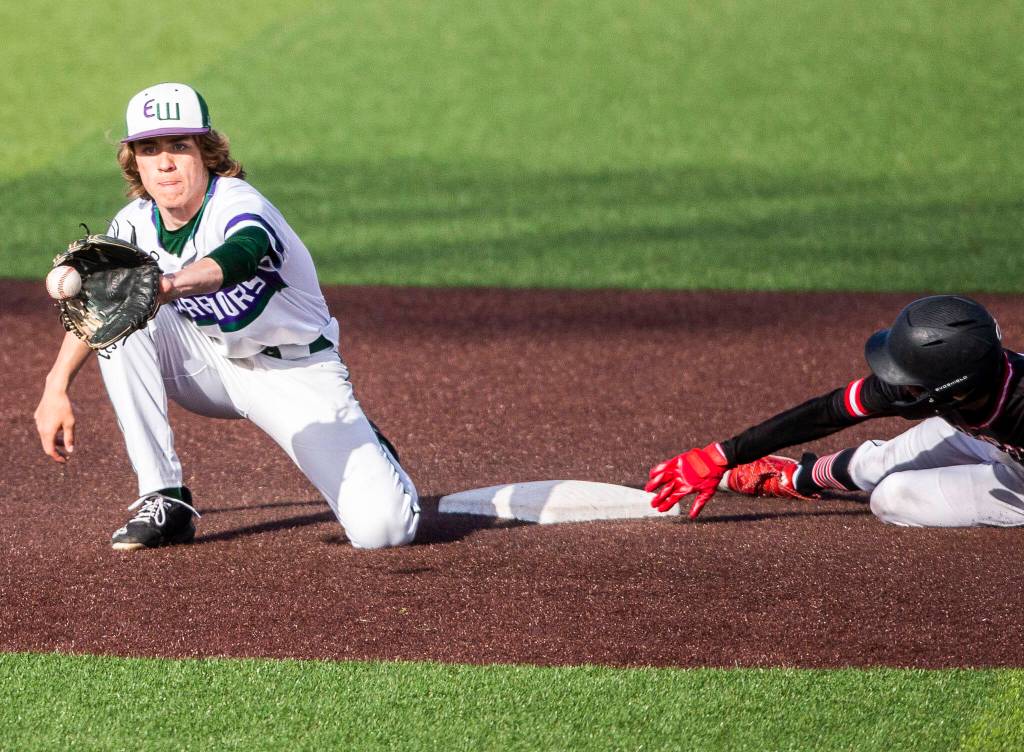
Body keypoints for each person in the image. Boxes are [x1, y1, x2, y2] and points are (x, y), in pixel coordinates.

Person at [33, 82, 419, 550]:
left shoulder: (236, 202)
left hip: (294, 372)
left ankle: (371, 447)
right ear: (133, 159)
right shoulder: (133, 222)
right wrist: (56, 387)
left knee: (384, 532)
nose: (166, 162)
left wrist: (170, 284)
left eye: (180, 145)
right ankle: (164, 496)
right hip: (205, 361)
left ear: (207, 151)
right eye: (149, 149)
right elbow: (97, 307)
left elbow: (241, 253)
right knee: (123, 314)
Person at [645, 295, 1024, 527]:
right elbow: (831, 411)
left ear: (952, 389)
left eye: (912, 381)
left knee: (893, 498)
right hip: (990, 439)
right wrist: (723, 454)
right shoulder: (969, 382)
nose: (899, 385)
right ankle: (797, 478)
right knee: (876, 462)